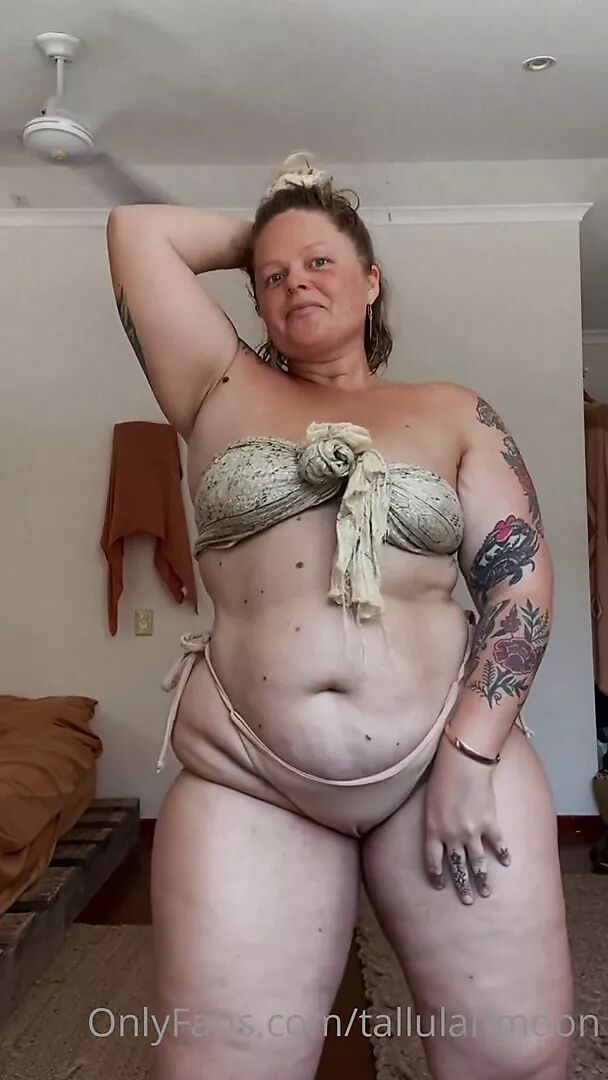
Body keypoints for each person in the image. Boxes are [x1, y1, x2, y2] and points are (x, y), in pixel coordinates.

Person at [106, 152, 573, 1080]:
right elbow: (135, 233)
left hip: (444, 759)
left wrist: (471, 755)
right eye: (272, 276)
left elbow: (517, 589)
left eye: (321, 262)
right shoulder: (216, 384)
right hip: (248, 775)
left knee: (515, 1058)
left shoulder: (453, 412)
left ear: (371, 281)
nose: (295, 283)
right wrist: (280, 223)